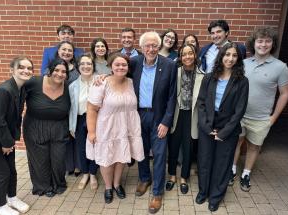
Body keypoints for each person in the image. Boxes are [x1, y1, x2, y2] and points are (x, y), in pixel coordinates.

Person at [229, 27, 288, 192]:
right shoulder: (243, 63)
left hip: (262, 118)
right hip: (239, 115)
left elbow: (285, 94)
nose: (263, 45)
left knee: (254, 146)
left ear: (273, 44)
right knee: (236, 142)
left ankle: (246, 173)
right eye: (260, 41)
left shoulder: (281, 67)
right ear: (253, 43)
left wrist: (273, 118)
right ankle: (232, 169)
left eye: (268, 41)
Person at [196, 43, 249, 212]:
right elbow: (202, 103)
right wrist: (205, 127)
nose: (230, 59)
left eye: (234, 56)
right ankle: (203, 191)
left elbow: (240, 110)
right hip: (208, 125)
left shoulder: (242, 81)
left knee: (222, 163)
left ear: (238, 59)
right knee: (204, 161)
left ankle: (216, 196)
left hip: (229, 127)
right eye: (227, 55)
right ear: (221, 56)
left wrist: (224, 132)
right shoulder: (209, 77)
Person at [86, 53, 144, 204]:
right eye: (117, 64)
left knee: (121, 157)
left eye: (124, 65)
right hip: (106, 127)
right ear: (110, 66)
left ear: (128, 67)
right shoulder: (101, 83)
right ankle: (108, 187)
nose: (121, 67)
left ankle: (117, 184)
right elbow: (91, 109)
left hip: (126, 127)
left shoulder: (131, 82)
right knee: (107, 159)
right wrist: (91, 132)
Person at [132, 31, 177, 214]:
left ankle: (157, 192)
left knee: (159, 155)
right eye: (147, 46)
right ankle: (144, 178)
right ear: (141, 48)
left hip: (159, 117)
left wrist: (166, 121)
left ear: (159, 47)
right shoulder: (133, 63)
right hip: (138, 115)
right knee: (140, 150)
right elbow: (116, 74)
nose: (151, 49)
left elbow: (172, 96)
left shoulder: (169, 65)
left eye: (154, 46)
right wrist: (103, 78)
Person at [23, 58, 71, 198]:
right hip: (35, 127)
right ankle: (43, 186)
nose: (59, 74)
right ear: (50, 70)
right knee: (39, 159)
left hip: (59, 128)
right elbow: (16, 92)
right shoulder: (34, 82)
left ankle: (58, 184)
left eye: (63, 71)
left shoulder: (68, 86)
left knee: (58, 159)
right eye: (56, 70)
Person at [0, 56, 32, 215]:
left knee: (12, 170)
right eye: (21, 67)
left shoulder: (21, 88)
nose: (26, 71)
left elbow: (16, 116)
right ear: (12, 70)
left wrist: (11, 140)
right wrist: (6, 143)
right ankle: (0, 205)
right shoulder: (4, 90)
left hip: (6, 137)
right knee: (2, 173)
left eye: (29, 68)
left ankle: (12, 197)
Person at [166, 44, 204, 194]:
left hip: (192, 115)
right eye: (184, 54)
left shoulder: (203, 75)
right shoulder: (174, 72)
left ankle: (184, 177)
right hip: (177, 113)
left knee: (188, 148)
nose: (187, 57)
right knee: (173, 146)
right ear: (180, 57)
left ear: (195, 55)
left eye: (190, 53)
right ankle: (172, 176)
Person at [69, 53, 99, 190]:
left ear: (93, 66)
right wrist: (71, 127)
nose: (86, 66)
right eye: (83, 64)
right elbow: (72, 108)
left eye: (89, 64)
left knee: (95, 147)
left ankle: (93, 173)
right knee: (81, 149)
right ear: (78, 67)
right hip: (80, 120)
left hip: (98, 120)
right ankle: (85, 173)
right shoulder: (73, 86)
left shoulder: (101, 81)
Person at [55, 41, 81, 176]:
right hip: (59, 107)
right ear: (58, 50)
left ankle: (77, 165)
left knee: (75, 136)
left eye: (70, 50)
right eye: (64, 50)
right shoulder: (53, 67)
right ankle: (68, 165)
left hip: (75, 108)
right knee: (64, 138)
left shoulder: (77, 68)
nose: (66, 52)